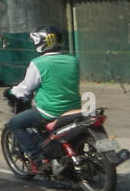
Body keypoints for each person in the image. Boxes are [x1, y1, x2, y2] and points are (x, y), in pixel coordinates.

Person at [5, 25, 81, 172]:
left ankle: (38, 159)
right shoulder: (73, 60)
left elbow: (26, 88)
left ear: (40, 43)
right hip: (74, 109)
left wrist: (11, 92)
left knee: (15, 123)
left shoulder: (37, 64)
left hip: (49, 111)